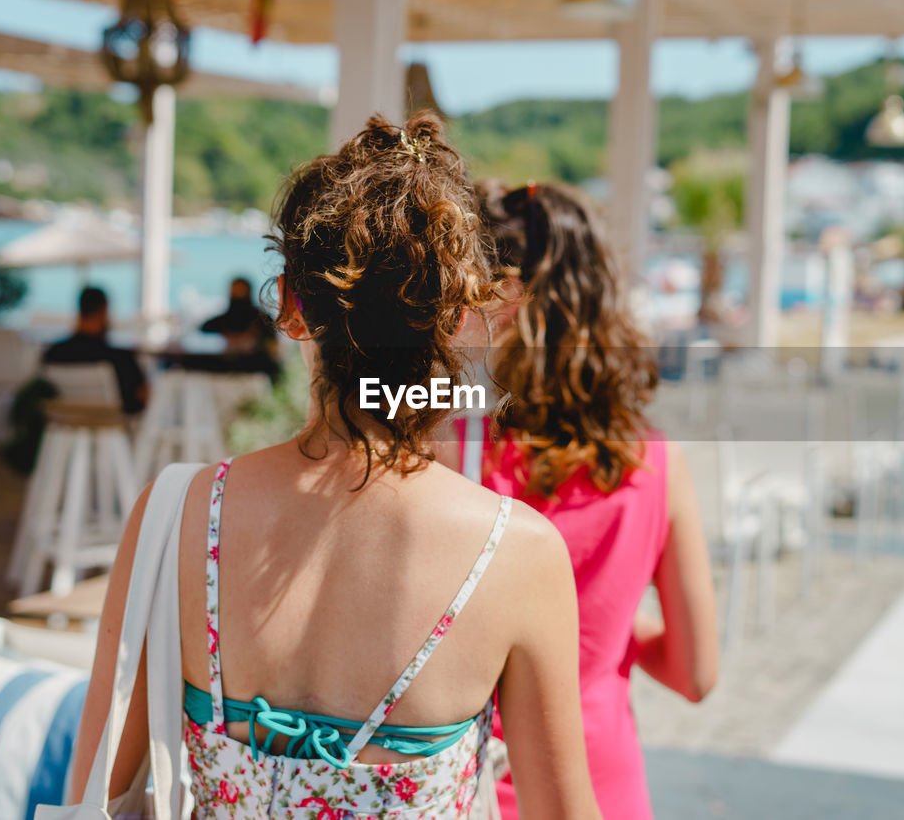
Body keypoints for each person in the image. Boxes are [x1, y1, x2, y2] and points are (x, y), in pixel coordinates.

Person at [71, 114, 602, 820]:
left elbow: (93, 794)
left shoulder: (178, 513)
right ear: (458, 319)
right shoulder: (516, 552)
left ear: (292, 304)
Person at [468, 181, 719, 820]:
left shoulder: (455, 448)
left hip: (473, 792)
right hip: (603, 788)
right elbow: (696, 674)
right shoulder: (656, 462)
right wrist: (607, 630)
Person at [43, 285, 147, 414]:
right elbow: (142, 398)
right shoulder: (120, 358)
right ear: (104, 311)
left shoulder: (52, 354)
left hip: (67, 426)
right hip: (114, 429)